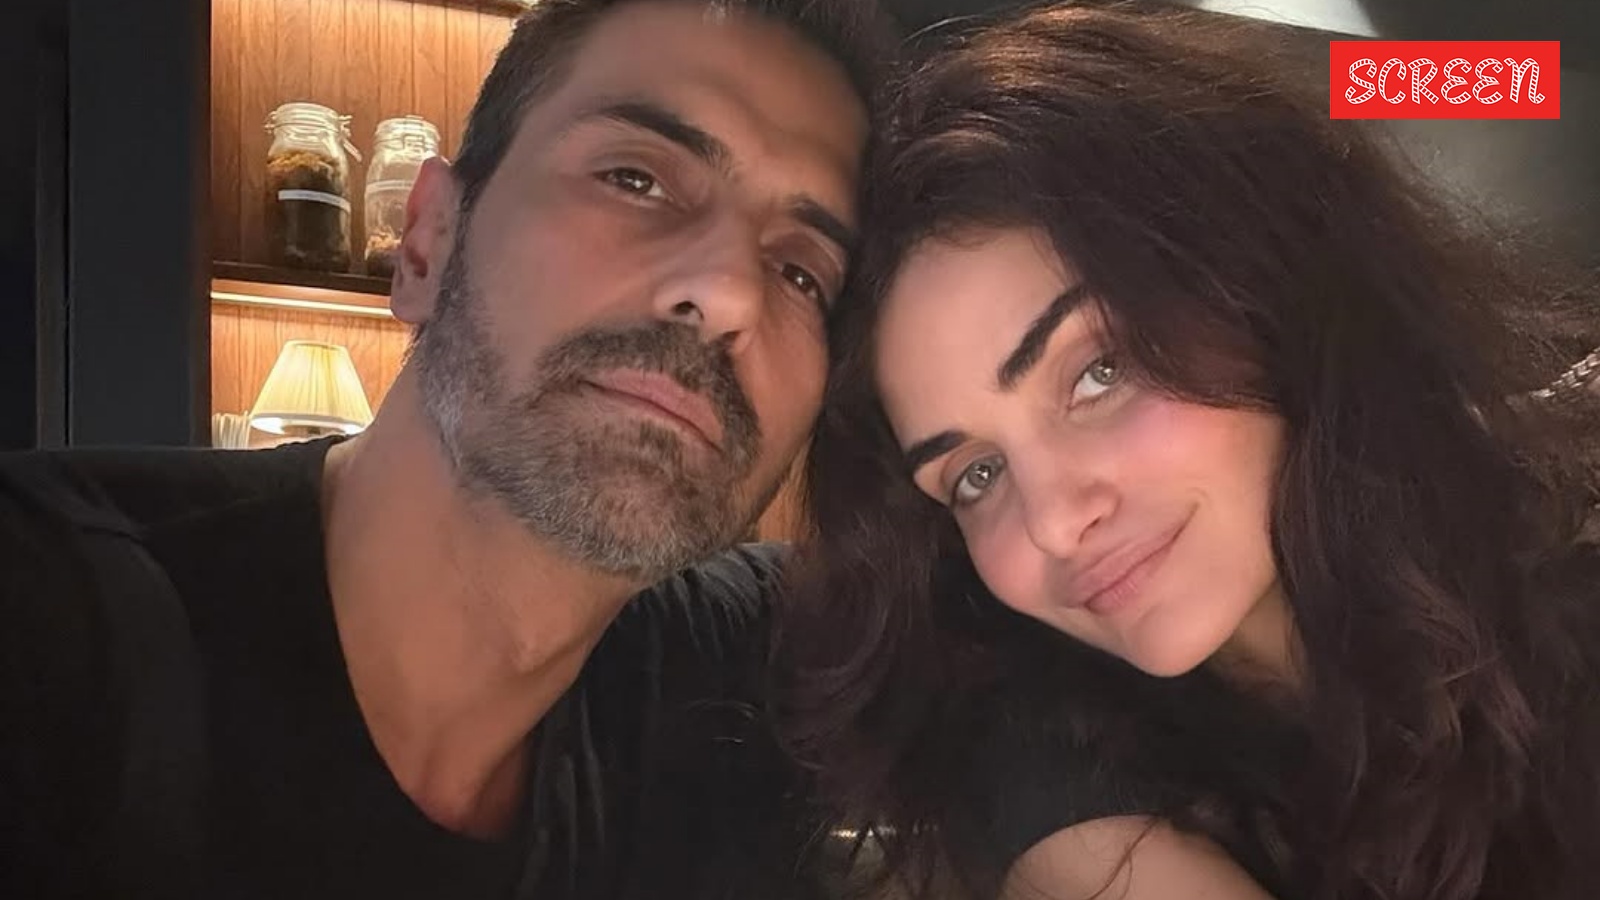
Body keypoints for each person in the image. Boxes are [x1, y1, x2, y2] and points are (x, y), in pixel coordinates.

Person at [0, 0, 893, 897]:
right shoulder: (54, 615)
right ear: (427, 243)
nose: (731, 294)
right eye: (635, 179)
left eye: (801, 272)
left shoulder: (719, 665)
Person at [778, 5, 1600, 900]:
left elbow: (1521, 78)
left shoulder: (1558, 595)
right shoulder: (1044, 748)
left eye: (1099, 373)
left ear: (1265, 290)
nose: (1054, 523)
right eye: (976, 474)